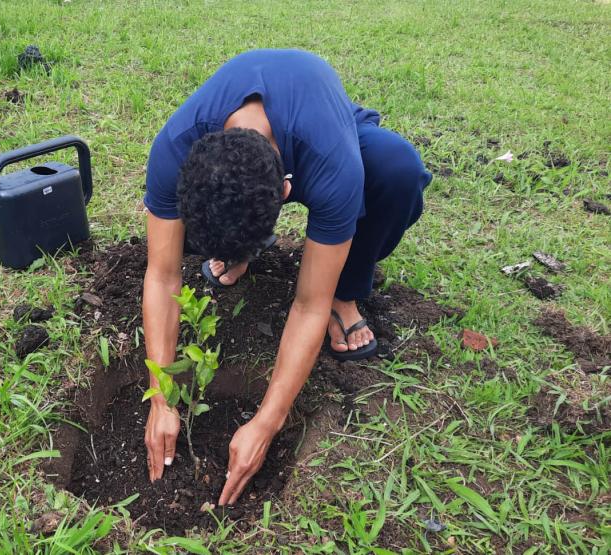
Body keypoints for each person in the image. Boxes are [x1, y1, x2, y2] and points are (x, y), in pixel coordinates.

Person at [142, 49, 432, 505]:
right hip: (248, 162)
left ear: (286, 192)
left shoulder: (332, 165)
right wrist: (161, 397)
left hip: (329, 126)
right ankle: (240, 248)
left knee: (398, 170)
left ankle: (348, 291)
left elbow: (307, 304)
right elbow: (161, 276)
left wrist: (267, 422)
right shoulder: (174, 148)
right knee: (188, 234)